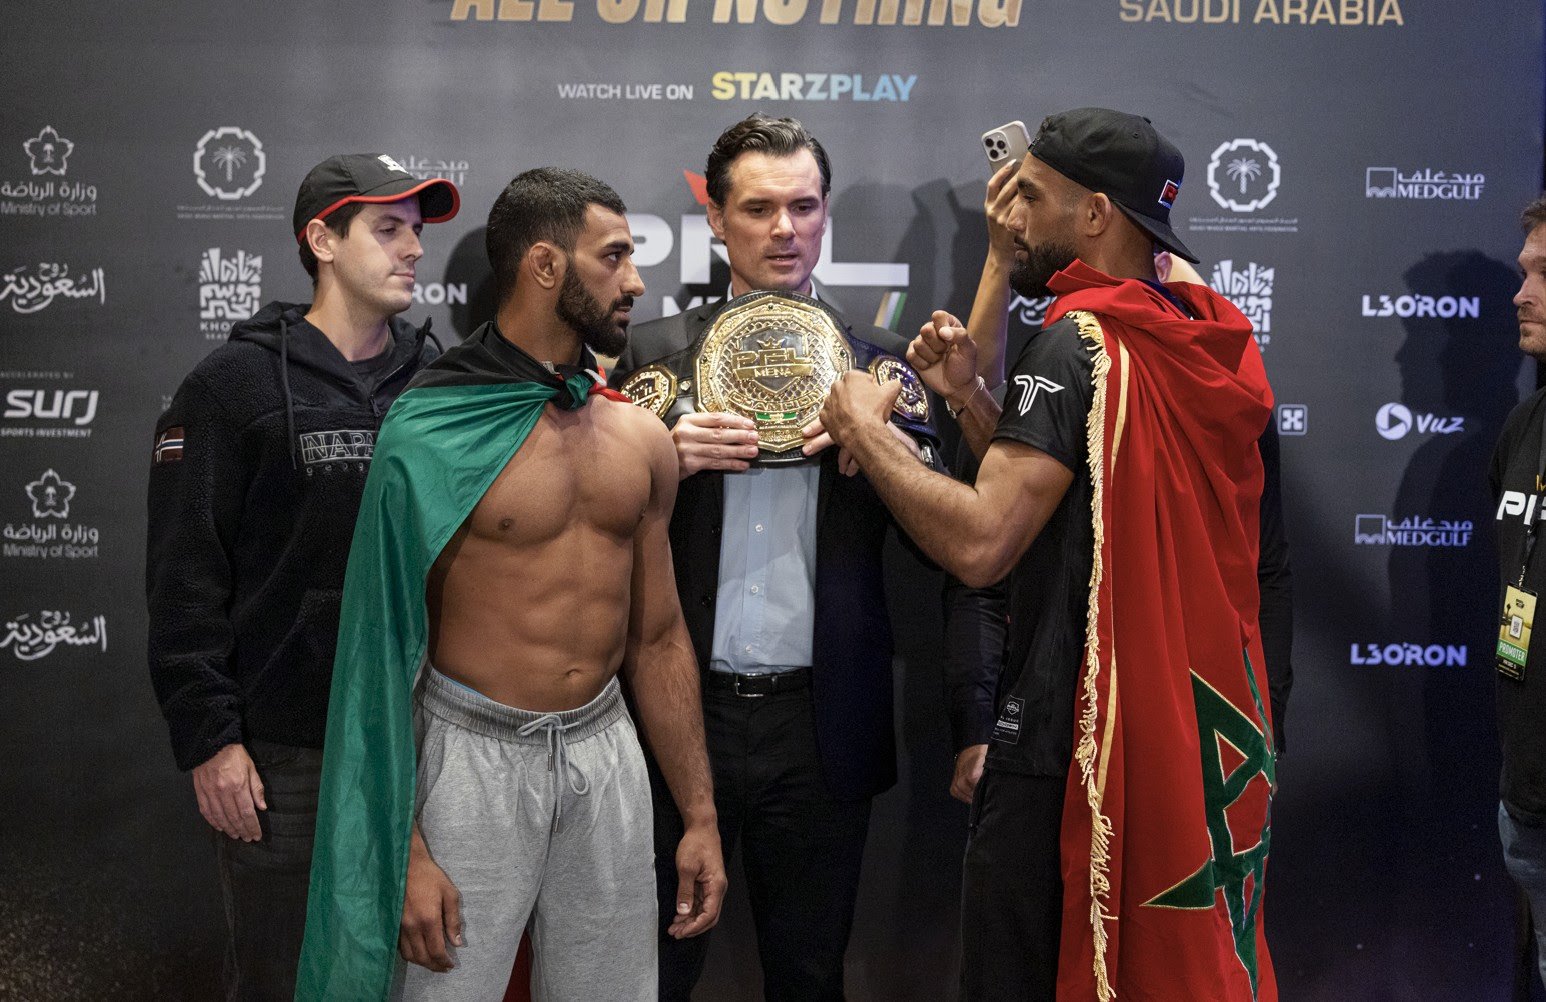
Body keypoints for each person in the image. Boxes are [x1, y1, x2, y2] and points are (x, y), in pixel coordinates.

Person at [819, 107, 1277, 1000]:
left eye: (1031, 196)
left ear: (1095, 213)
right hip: (1178, 725)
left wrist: (864, 431)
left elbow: (985, 543)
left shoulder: (1074, 340)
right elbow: (1085, 499)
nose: (1013, 219)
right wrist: (971, 400)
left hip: (1071, 741)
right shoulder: (1187, 334)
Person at [294, 167, 725, 1002]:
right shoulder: (430, 428)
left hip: (605, 750)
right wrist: (405, 849)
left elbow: (658, 636)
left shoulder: (640, 437)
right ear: (545, 265)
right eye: (614, 256)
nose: (636, 281)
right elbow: (381, 649)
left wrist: (700, 814)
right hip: (467, 757)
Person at [609, 112, 941, 1001]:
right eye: (758, 209)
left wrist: (886, 453)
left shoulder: (879, 368)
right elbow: (572, 533)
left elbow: (949, 540)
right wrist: (654, 462)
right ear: (716, 220)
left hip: (820, 725)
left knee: (810, 976)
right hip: (675, 716)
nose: (784, 229)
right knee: (649, 974)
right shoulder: (647, 359)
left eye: (803, 206)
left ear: (826, 213)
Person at [145, 154, 458, 1002]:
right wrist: (211, 738)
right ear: (322, 239)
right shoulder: (230, 386)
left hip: (433, 744)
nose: (413, 250)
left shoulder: (438, 382)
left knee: (423, 983)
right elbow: (183, 577)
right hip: (289, 758)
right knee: (286, 980)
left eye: (417, 232)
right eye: (387, 229)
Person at [942, 195, 1296, 810]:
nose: (1156, 304)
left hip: (1187, 725)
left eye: (1169, 283)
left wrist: (1261, 721)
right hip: (1064, 724)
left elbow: (1264, 574)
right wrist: (978, 722)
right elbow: (996, 552)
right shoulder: (1070, 359)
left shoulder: (1236, 405)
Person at [1490, 192, 1546, 990]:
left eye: (1543, 275)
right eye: (1524, 271)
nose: (1520, 293)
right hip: (1525, 804)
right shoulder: (1525, 427)